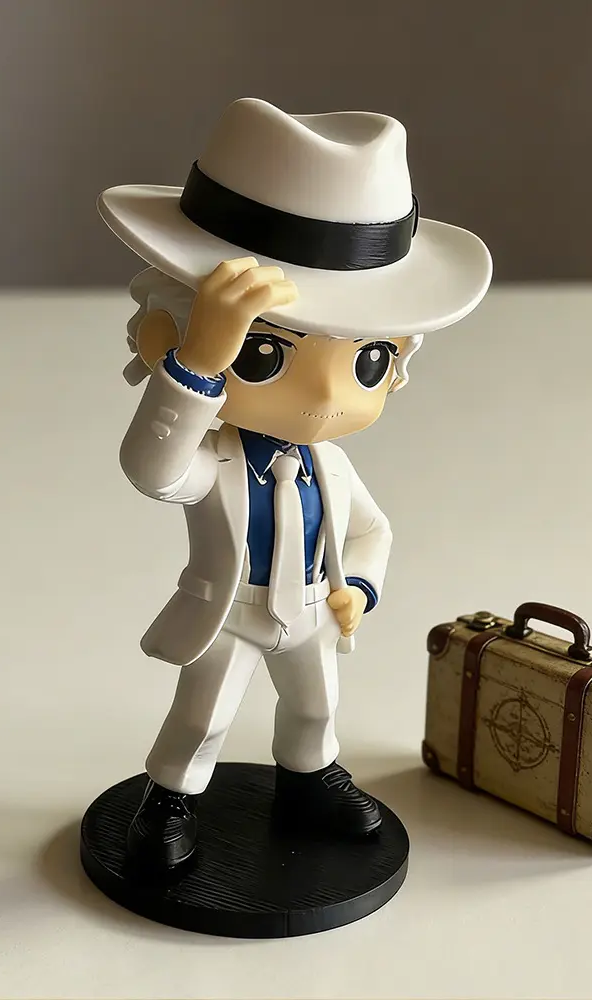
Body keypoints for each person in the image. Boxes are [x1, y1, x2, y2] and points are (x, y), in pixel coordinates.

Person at [99, 98, 491, 868]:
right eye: (265, 355)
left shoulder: (329, 463)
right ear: (161, 337)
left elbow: (371, 530)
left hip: (314, 608)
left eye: (368, 361)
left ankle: (310, 783)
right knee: (204, 716)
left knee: (316, 708)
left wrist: (361, 589)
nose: (323, 397)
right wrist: (199, 365)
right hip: (233, 611)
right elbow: (153, 469)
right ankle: (172, 797)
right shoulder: (213, 456)